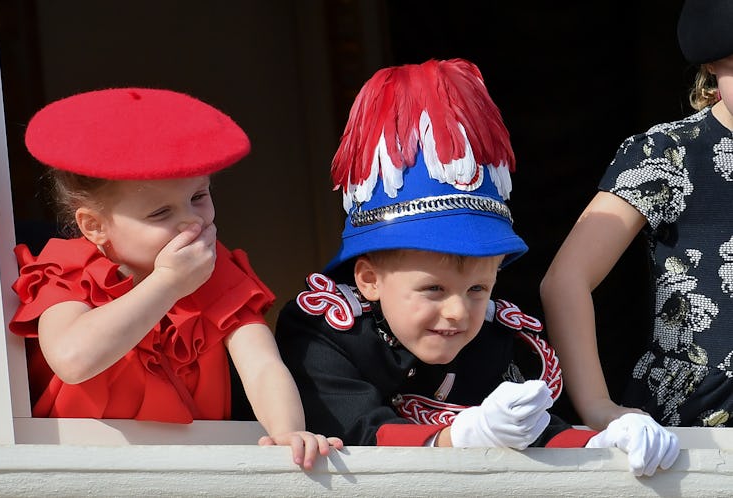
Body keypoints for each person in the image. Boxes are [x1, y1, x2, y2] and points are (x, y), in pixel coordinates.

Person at [275, 59, 679, 476]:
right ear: (369, 279)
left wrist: (606, 439)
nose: (459, 312)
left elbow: (535, 433)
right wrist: (459, 437)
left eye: (478, 289)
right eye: (434, 289)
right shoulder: (320, 334)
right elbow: (355, 429)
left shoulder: (495, 337)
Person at [9, 87, 342, 469]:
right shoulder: (67, 269)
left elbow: (262, 364)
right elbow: (73, 359)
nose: (192, 219)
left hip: (191, 465)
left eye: (199, 196)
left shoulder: (216, 271)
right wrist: (167, 283)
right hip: (76, 465)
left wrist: (288, 431)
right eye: (160, 213)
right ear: (94, 225)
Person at [540, 0, 733, 432]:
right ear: (713, 63)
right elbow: (566, 279)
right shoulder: (669, 152)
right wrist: (597, 407)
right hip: (694, 419)